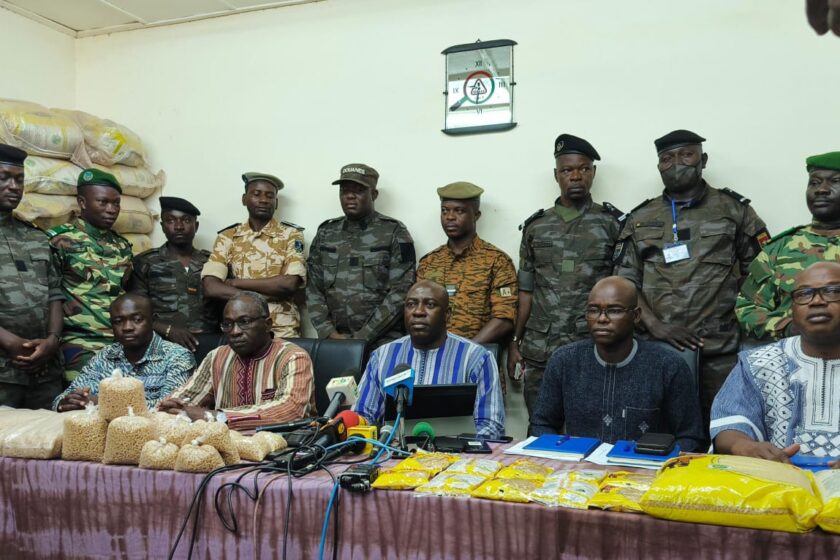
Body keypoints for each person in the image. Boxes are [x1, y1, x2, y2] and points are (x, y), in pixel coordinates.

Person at [615, 129, 769, 429]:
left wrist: (736, 313)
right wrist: (655, 324)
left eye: (686, 154)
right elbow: (624, 281)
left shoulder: (734, 210)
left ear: (703, 160)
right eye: (666, 158)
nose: (676, 164)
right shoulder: (639, 218)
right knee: (655, 432)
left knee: (725, 430)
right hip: (656, 349)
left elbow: (762, 272)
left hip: (719, 349)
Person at [509, 134, 625, 420]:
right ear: (556, 175)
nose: (575, 176)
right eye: (567, 170)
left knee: (590, 426)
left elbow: (624, 290)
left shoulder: (613, 225)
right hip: (540, 350)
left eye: (583, 169)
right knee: (540, 425)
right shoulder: (536, 227)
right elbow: (526, 291)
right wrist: (515, 341)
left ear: (593, 172)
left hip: (593, 347)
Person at [529, 277, 704, 450]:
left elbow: (691, 438)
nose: (602, 319)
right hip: (579, 471)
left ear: (636, 316)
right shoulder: (564, 361)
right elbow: (541, 425)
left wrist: (656, 460)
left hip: (645, 472)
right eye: (594, 310)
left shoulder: (668, 366)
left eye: (614, 310)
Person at [712, 262, 840, 467]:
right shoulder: (758, 363)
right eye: (804, 294)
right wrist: (746, 446)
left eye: (833, 291)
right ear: (792, 310)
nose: (817, 301)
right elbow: (729, 425)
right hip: (777, 485)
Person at [354, 280, 505, 437]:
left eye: (430, 305)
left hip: (456, 456)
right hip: (393, 454)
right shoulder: (382, 356)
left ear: (447, 314)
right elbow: (363, 415)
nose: (418, 312)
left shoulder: (476, 358)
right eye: (411, 304)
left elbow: (491, 426)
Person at [159, 291, 315, 430]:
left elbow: (291, 410)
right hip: (227, 448)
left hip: (287, 450)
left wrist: (219, 417)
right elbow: (188, 397)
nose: (235, 332)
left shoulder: (292, 357)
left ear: (267, 324)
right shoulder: (217, 356)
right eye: (228, 324)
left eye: (244, 322)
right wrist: (172, 405)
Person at [307, 163, 415, 349]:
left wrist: (364, 336)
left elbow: (402, 290)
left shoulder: (394, 231)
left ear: (374, 194)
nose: (350, 195)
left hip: (383, 340)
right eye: (344, 190)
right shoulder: (326, 232)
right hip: (335, 341)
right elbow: (313, 288)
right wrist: (327, 332)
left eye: (358, 190)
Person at [737, 152, 840, 341]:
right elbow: (747, 308)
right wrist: (788, 328)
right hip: (795, 359)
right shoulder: (780, 248)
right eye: (814, 183)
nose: (821, 190)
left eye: (835, 181)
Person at [48, 168, 133, 382]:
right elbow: (49, 295)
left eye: (116, 203)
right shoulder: (60, 241)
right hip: (79, 341)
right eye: (103, 202)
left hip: (121, 341)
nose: (111, 209)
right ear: (83, 202)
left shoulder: (122, 245)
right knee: (91, 399)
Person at [202, 172, 306, 338]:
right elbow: (211, 287)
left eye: (269, 196)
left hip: (281, 330)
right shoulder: (228, 237)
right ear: (244, 199)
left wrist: (235, 283)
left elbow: (288, 284)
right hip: (240, 330)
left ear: (276, 202)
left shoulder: (291, 235)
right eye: (256, 194)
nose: (264, 200)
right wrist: (258, 297)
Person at [0, 144, 64, 409]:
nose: (14, 186)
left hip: (44, 371)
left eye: (19, 179)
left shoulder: (36, 236)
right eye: (4, 178)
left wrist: (52, 341)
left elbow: (55, 294)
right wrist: (10, 342)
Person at [52, 294, 195, 412]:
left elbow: (169, 407)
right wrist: (69, 401)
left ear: (153, 320)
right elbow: (64, 398)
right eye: (118, 321)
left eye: (137, 319)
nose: (127, 327)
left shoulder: (177, 357)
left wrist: (102, 405)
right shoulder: (105, 356)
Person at [417, 181, 517, 344]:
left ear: (476, 215)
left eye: (459, 211)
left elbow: (504, 318)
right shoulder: (429, 262)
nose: (450, 217)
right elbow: (417, 312)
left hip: (477, 357)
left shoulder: (497, 261)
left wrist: (466, 353)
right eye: (444, 211)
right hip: (432, 355)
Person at [129, 196, 221, 352]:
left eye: (186, 221)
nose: (178, 226)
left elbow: (224, 307)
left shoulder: (212, 261)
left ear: (196, 226)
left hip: (209, 345)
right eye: (171, 221)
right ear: (163, 226)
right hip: (161, 346)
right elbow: (135, 311)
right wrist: (168, 330)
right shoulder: (146, 262)